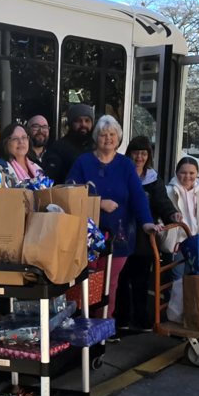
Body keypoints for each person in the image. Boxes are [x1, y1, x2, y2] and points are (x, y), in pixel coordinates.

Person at [66, 115, 163, 320]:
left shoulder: (126, 165)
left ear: (118, 138)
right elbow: (70, 194)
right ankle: (84, 323)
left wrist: (146, 222)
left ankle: (104, 324)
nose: (108, 138)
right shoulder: (83, 162)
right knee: (86, 280)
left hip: (119, 235)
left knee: (111, 282)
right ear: (96, 137)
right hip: (87, 235)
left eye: (112, 134)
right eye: (103, 134)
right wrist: (98, 203)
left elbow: (138, 196)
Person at [115, 136, 181, 334]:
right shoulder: (120, 174)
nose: (139, 157)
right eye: (135, 152)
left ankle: (142, 317)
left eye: (144, 153)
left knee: (142, 280)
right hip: (122, 234)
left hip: (144, 237)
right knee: (121, 280)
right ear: (129, 153)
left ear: (149, 156)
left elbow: (161, 200)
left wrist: (172, 214)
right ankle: (121, 318)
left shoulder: (153, 178)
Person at [46, 104, 96, 179]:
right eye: (78, 121)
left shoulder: (97, 147)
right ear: (70, 124)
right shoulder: (58, 148)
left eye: (87, 120)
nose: (83, 124)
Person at [26, 115, 64, 182]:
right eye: (36, 127)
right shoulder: (22, 158)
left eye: (44, 127)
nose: (41, 131)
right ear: (27, 130)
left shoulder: (55, 158)